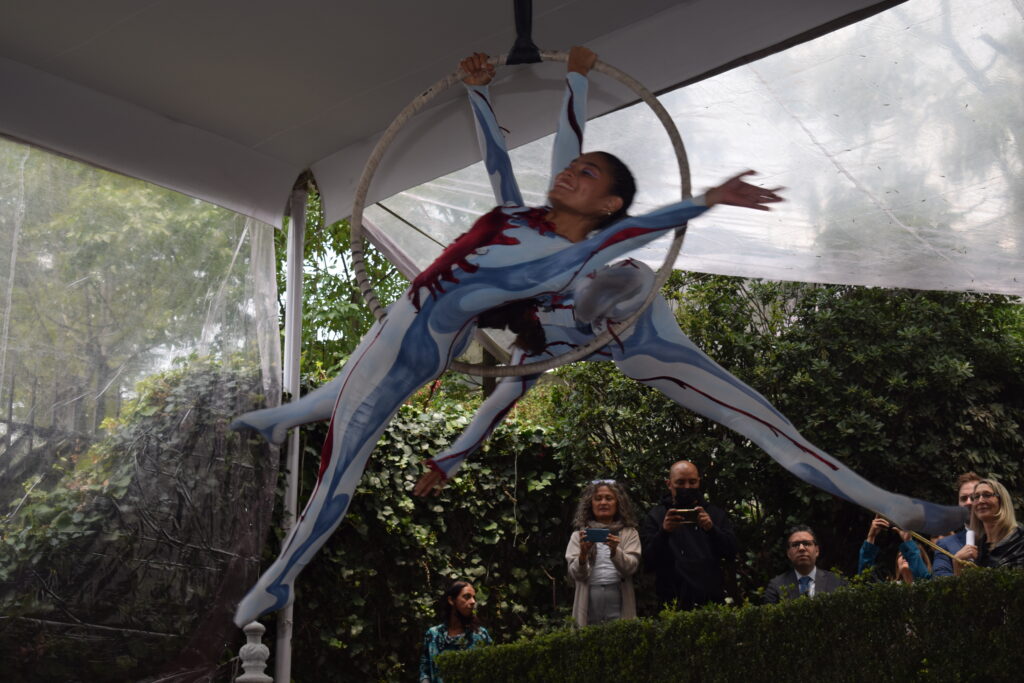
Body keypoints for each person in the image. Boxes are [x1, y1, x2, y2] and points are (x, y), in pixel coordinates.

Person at [229, 47, 781, 626]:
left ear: (607, 209)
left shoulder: (573, 258)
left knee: (341, 458)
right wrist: (488, 90)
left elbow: (637, 227)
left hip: (419, 347)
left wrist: (709, 199)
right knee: (343, 396)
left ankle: (281, 578)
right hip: (399, 320)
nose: (567, 173)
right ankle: (281, 423)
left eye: (587, 175)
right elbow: (506, 162)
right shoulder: (517, 216)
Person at [411, 52, 966, 546]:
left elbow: (512, 171)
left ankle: (894, 505)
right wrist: (448, 460)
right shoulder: (532, 350)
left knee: (765, 421)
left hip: (638, 310)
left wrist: (516, 88)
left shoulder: (542, 242)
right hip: (642, 346)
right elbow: (493, 408)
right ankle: (896, 507)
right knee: (763, 425)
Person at [639, 460, 737, 610]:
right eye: (680, 482)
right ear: (669, 484)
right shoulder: (657, 516)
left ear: (699, 482)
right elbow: (648, 560)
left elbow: (731, 552)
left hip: (710, 600)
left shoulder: (715, 514)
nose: (687, 487)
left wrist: (711, 529)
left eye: (692, 482)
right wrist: (664, 532)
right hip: (671, 602)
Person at [565, 480, 642, 627]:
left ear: (618, 503)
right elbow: (576, 574)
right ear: (591, 504)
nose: (603, 503)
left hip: (618, 594)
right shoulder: (579, 535)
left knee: (619, 638)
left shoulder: (629, 533)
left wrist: (615, 551)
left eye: (609, 498)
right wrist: (583, 555)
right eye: (598, 498)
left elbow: (630, 568)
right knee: (589, 641)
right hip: (589, 595)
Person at [419, 581, 492, 683]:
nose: (473, 601)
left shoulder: (480, 635)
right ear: (451, 600)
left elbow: (492, 671)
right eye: (467, 597)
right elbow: (424, 669)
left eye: (473, 597)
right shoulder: (433, 635)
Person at [954, 477, 1024, 571]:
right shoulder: (978, 546)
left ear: (1001, 501)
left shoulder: (1020, 538)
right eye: (976, 496)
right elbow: (967, 585)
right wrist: (957, 563)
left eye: (987, 495)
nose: (981, 501)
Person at [764, 525, 847, 603]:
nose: (801, 548)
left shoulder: (836, 582)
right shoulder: (776, 586)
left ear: (817, 550)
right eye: (795, 545)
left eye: (807, 544)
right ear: (788, 553)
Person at [932, 471, 981, 577]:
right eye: (964, 498)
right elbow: (939, 588)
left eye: (973, 497)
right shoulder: (945, 545)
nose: (968, 502)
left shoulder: (1006, 538)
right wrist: (957, 565)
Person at [857, 516, 931, 583]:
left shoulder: (934, 588)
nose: (904, 556)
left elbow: (925, 581)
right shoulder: (890, 591)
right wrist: (871, 537)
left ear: (923, 562)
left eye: (909, 553)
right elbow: (866, 580)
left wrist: (908, 541)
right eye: (900, 555)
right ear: (897, 565)